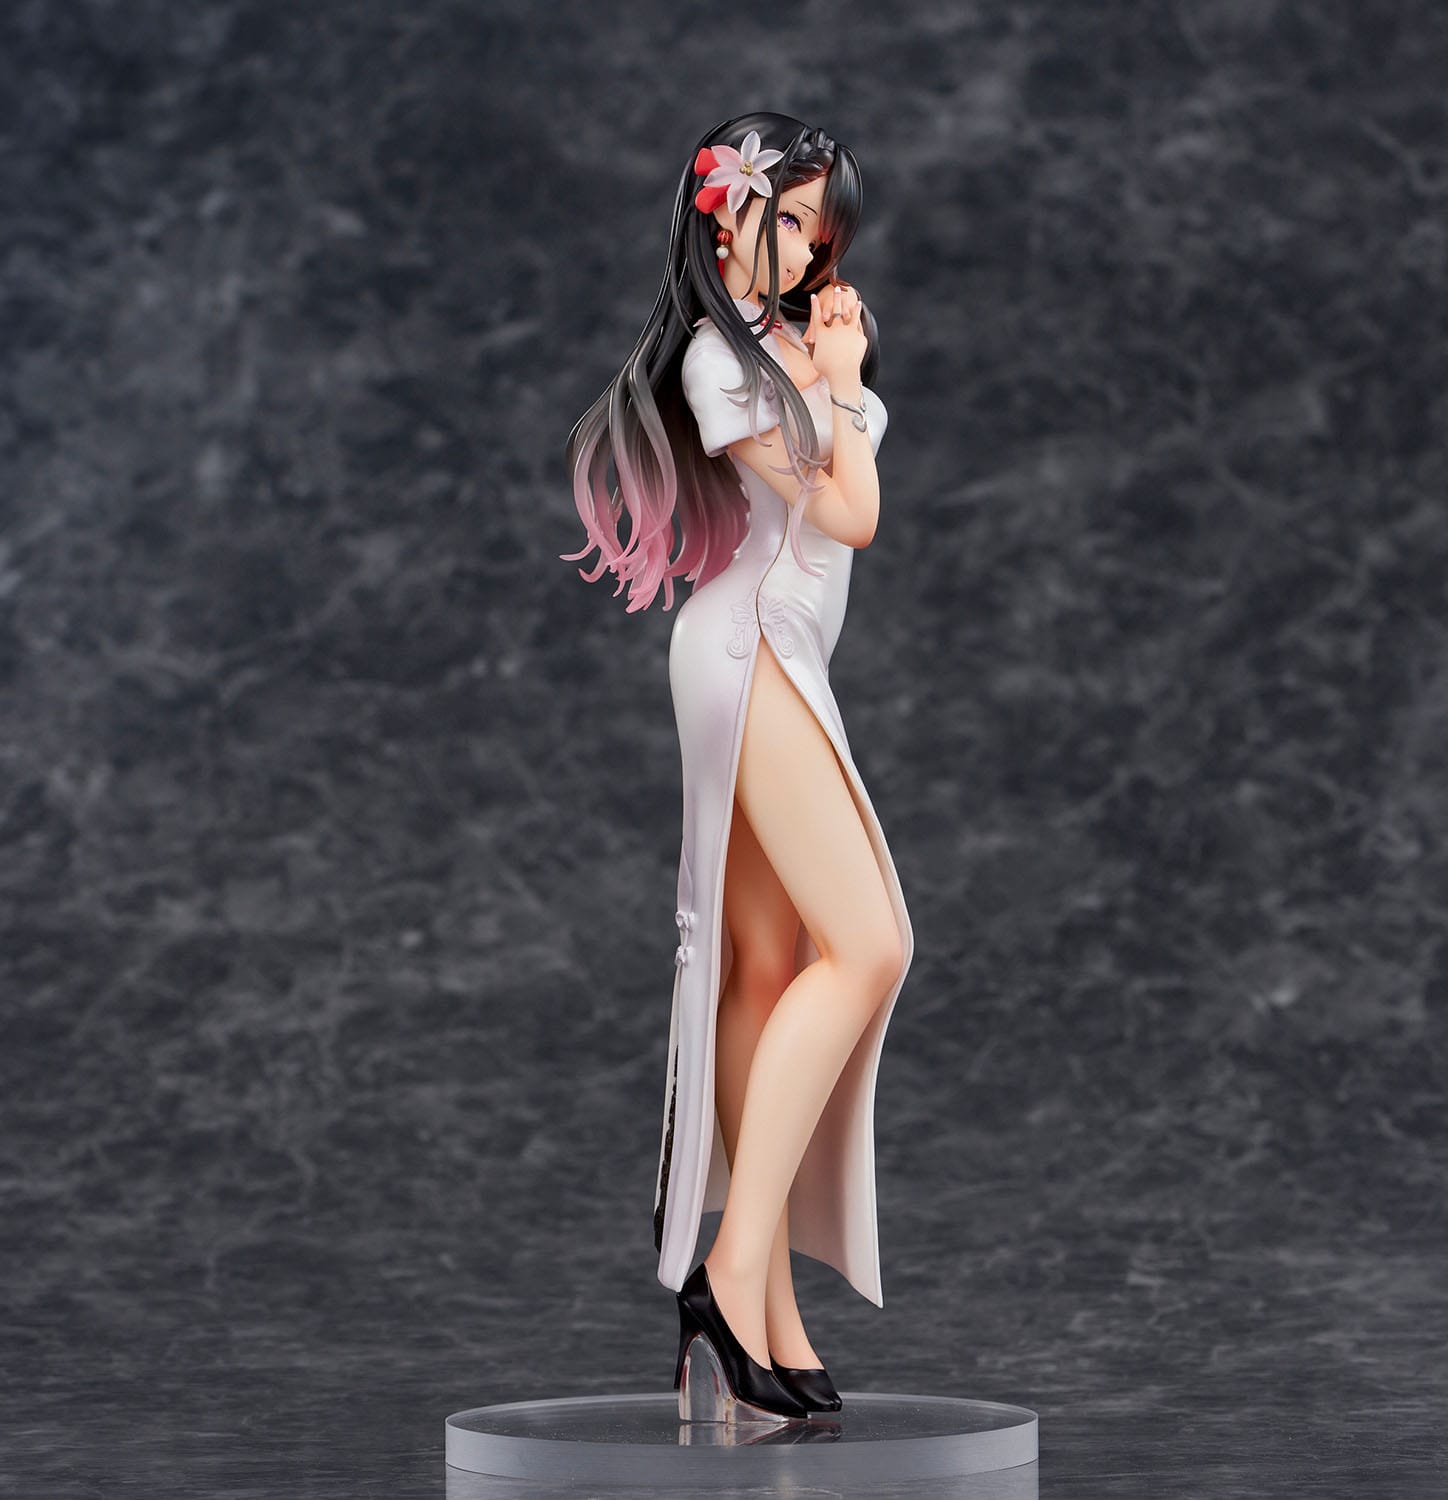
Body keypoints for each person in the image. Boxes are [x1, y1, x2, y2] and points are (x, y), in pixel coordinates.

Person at [561, 112, 914, 1424]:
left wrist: (829, 367)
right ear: (726, 214)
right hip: (746, 650)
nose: (808, 248)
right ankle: (727, 1269)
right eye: (789, 217)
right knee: (871, 947)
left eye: (822, 228)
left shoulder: (784, 348)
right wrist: (845, 381)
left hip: (787, 654)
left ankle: (767, 1311)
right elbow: (852, 514)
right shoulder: (726, 362)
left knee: (772, 970)